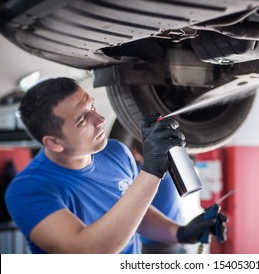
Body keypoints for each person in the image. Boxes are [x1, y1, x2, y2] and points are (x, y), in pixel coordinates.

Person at [5, 77, 227, 254]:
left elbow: (133, 210)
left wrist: (179, 232)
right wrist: (151, 172)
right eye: (83, 119)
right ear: (54, 142)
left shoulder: (115, 152)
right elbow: (87, 251)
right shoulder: (27, 191)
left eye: (91, 105)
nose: (99, 119)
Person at [129, 138, 186, 254]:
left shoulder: (134, 177)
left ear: (135, 153)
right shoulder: (170, 171)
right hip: (174, 239)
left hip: (149, 245)